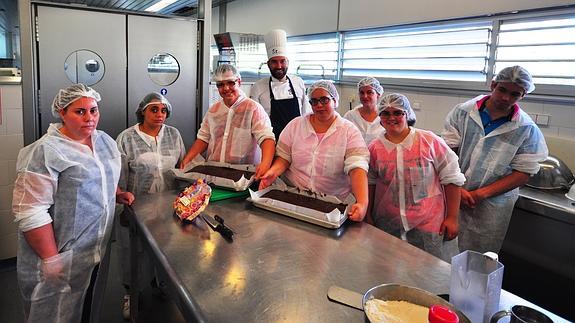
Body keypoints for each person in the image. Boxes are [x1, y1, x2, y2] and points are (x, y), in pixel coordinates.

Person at [12, 84, 122, 323]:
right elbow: (31, 211)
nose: (89, 118)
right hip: (60, 253)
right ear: (62, 112)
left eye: (93, 110)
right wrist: (51, 259)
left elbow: (104, 175)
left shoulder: (104, 141)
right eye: (79, 112)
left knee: (87, 306)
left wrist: (117, 193)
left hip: (94, 249)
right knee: (55, 312)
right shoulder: (46, 151)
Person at [442, 65, 548, 254]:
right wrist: (458, 188)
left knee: (477, 258)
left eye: (515, 94)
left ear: (523, 96)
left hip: (491, 207)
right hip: (453, 193)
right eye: (502, 90)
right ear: (493, 85)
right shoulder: (463, 112)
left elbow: (522, 174)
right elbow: (448, 153)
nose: (506, 98)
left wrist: (480, 194)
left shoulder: (526, 128)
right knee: (444, 252)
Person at [367, 93, 465, 261]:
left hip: (428, 225)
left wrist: (452, 218)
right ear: (380, 117)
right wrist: (368, 215)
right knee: (389, 271)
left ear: (407, 114)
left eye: (397, 112)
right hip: (389, 224)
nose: (392, 118)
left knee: (429, 275)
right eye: (386, 113)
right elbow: (370, 183)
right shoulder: (375, 148)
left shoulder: (428, 141)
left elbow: (452, 179)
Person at [115, 92, 185, 319]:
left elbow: (182, 167)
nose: (159, 114)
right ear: (142, 111)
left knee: (167, 248)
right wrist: (122, 206)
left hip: (168, 205)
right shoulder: (126, 138)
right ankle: (130, 293)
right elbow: (119, 177)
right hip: (138, 206)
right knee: (133, 251)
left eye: (163, 110)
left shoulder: (173, 135)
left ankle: (163, 284)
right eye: (154, 109)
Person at [259, 80, 370, 222]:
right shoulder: (296, 125)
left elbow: (357, 168)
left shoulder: (349, 131)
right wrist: (273, 172)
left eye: (324, 100)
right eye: (314, 101)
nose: (319, 105)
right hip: (293, 196)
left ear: (335, 101)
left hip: (332, 204)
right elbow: (284, 157)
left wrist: (362, 202)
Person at [180, 63, 275, 179]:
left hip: (244, 175)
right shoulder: (213, 111)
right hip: (214, 171)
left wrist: (265, 164)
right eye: (220, 85)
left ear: (239, 82)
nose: (226, 88)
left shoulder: (253, 108)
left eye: (231, 83)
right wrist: (188, 159)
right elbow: (203, 138)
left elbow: (266, 138)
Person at [249, 29, 311, 139]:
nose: (279, 66)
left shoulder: (298, 82)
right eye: (274, 62)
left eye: (282, 61)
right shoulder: (257, 87)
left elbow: (307, 113)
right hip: (271, 140)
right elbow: (255, 120)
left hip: (298, 138)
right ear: (268, 64)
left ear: (287, 62)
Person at [343, 77, 385, 145]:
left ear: (378, 94)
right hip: (354, 154)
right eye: (362, 93)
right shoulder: (350, 116)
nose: (365, 96)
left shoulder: (385, 116)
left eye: (369, 92)